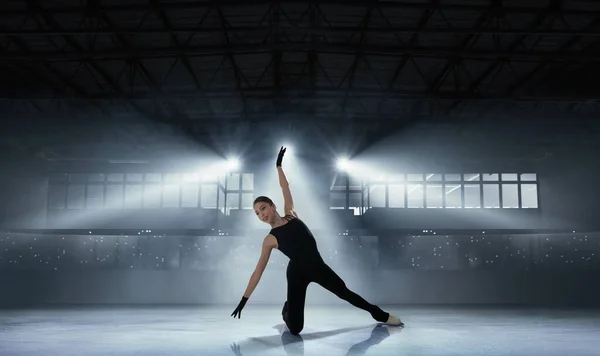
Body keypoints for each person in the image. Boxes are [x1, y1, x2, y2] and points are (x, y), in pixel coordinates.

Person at [231, 147, 403, 334]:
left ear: (272, 206)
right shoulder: (269, 240)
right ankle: (286, 310)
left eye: (263, 208)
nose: (261, 214)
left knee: (345, 293)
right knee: (295, 329)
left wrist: (279, 166)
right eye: (257, 213)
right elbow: (258, 272)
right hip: (296, 273)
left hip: (318, 267)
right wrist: (244, 300)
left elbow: (285, 188)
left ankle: (382, 315)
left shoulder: (291, 214)